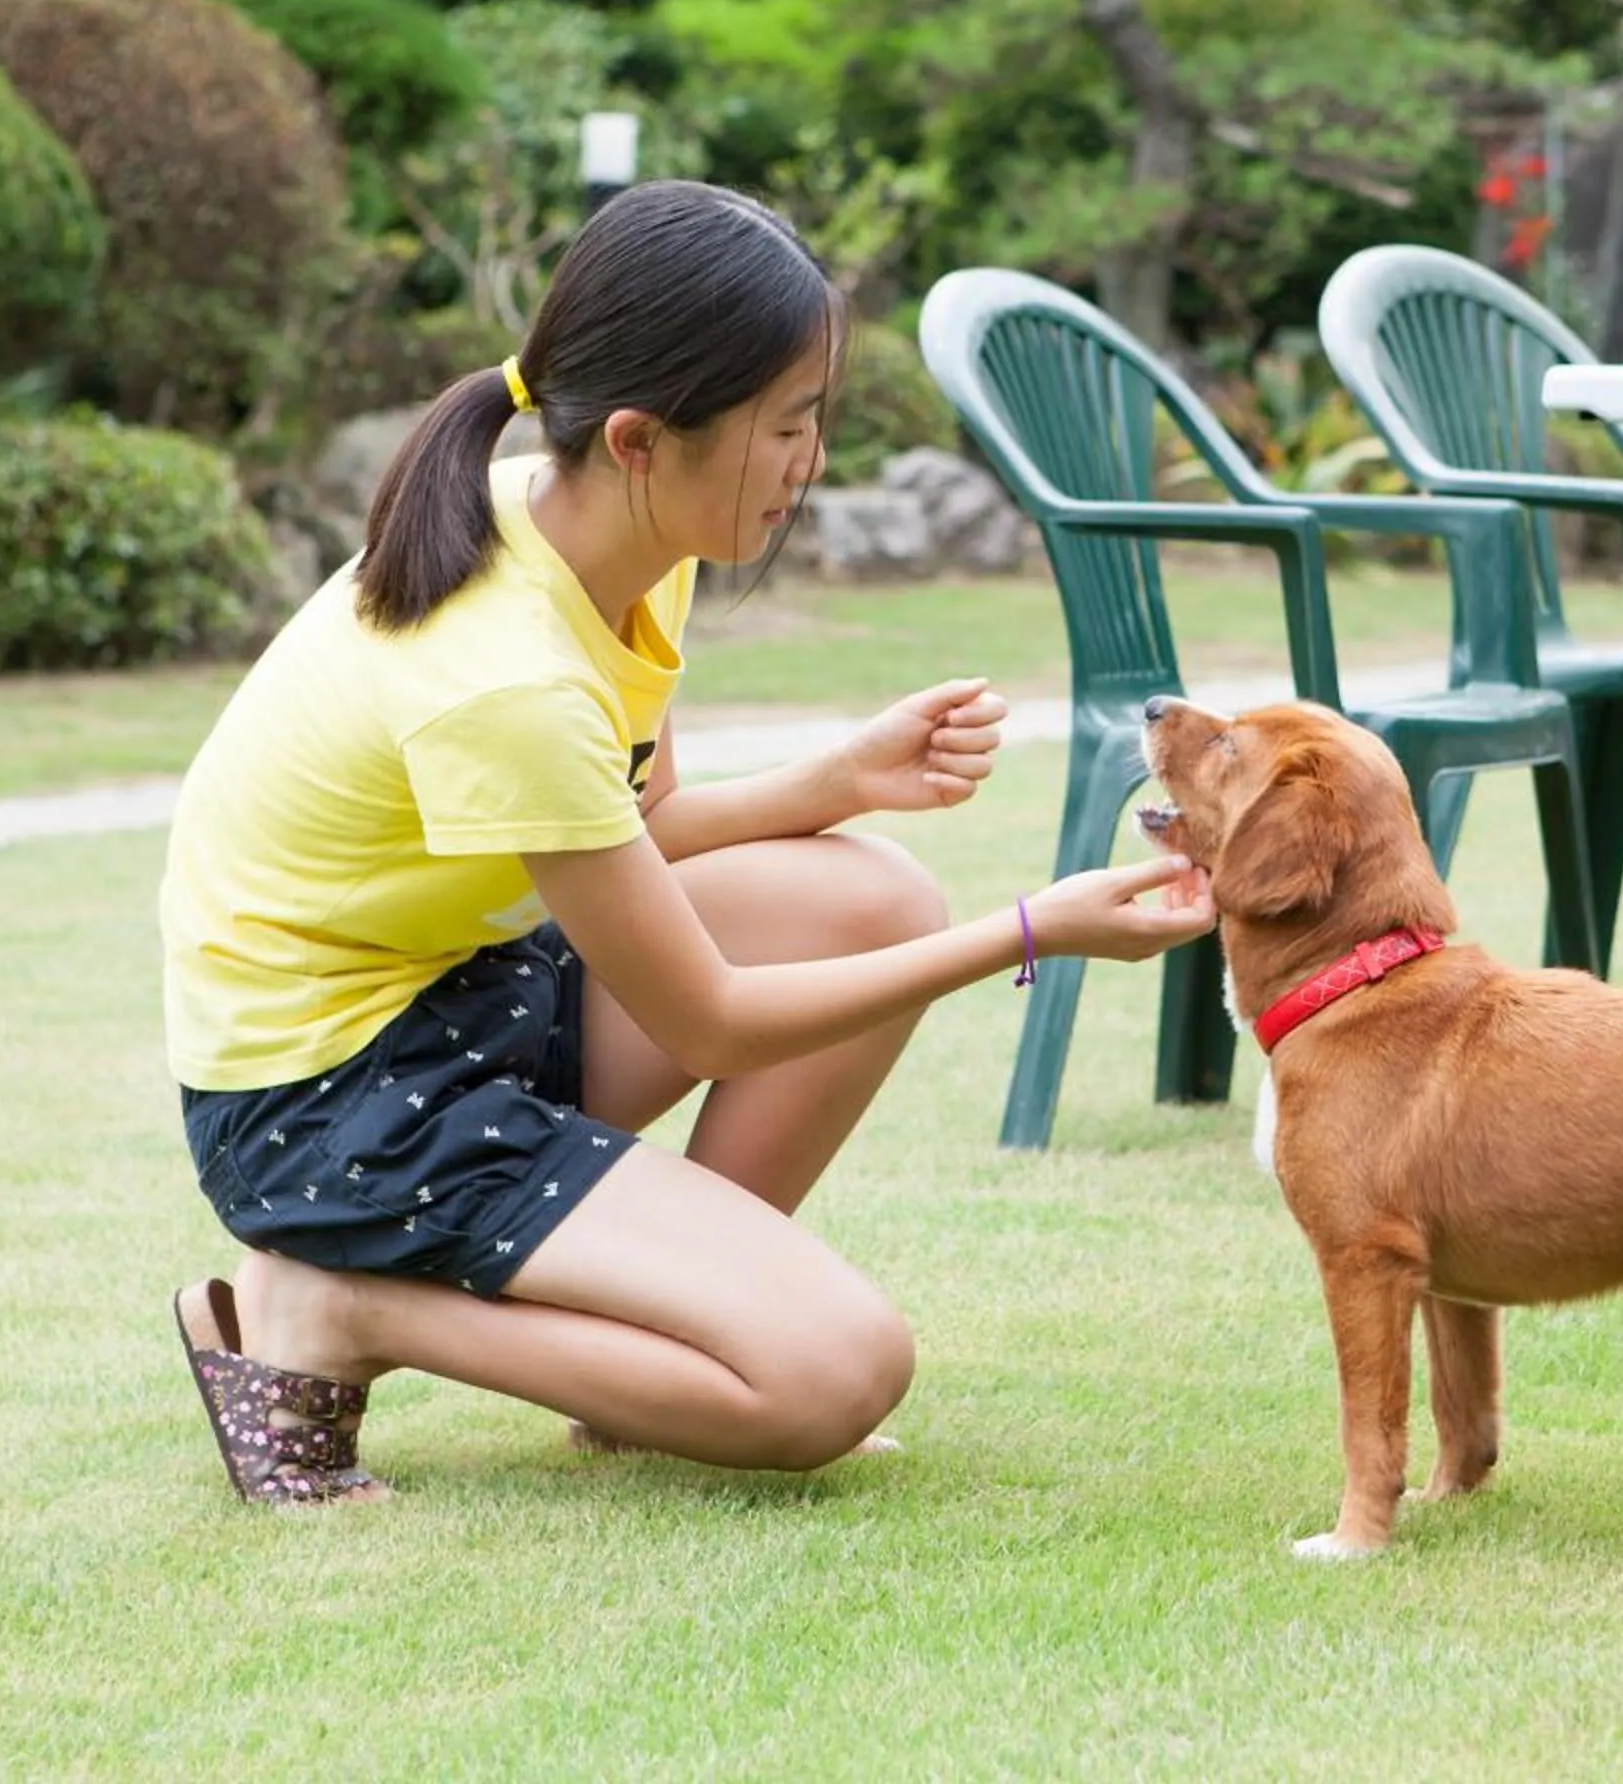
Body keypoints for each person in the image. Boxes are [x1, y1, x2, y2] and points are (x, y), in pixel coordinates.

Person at [161, 179, 1213, 1506]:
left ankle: (644, 1376)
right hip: (333, 1104)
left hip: (467, 996)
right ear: (644, 438)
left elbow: (635, 829)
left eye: (812, 419)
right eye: (787, 425)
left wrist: (836, 780)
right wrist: (1026, 934)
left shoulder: (620, 536)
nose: (809, 461)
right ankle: (341, 1310)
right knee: (835, 1376)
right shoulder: (504, 670)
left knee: (869, 894)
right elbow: (709, 1021)